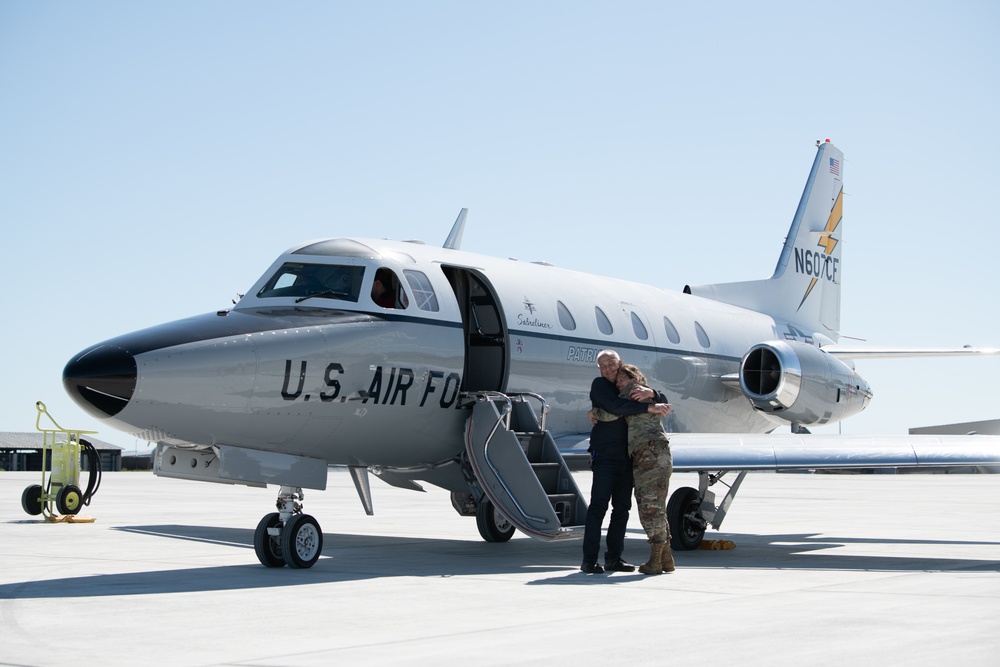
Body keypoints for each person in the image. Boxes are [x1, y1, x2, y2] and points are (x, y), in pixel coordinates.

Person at [581, 350, 670, 574]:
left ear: (619, 363)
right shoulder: (600, 385)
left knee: (622, 509)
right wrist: (649, 406)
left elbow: (661, 399)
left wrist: (653, 395)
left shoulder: (629, 387)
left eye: (612, 364)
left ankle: (614, 558)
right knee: (598, 507)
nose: (609, 370)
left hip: (629, 457)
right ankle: (589, 560)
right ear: (599, 370)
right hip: (605, 455)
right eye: (603, 366)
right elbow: (615, 409)